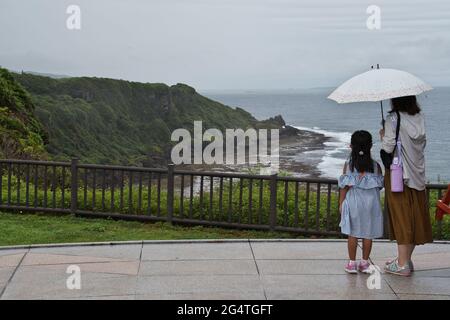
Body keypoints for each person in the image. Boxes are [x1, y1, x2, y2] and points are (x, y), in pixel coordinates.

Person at [380, 95, 433, 277]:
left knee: (402, 217)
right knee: (413, 217)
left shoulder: (394, 118)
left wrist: (383, 135)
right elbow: (420, 144)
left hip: (398, 175)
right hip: (417, 175)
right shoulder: (419, 116)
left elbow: (387, 148)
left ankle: (402, 265)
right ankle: (405, 259)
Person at [339, 130, 384, 274]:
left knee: (352, 233)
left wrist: (341, 204)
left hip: (353, 202)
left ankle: (352, 263)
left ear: (351, 146)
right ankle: (364, 263)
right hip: (372, 204)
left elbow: (344, 187)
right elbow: (380, 186)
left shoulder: (349, 165)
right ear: (370, 146)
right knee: (367, 234)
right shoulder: (376, 166)